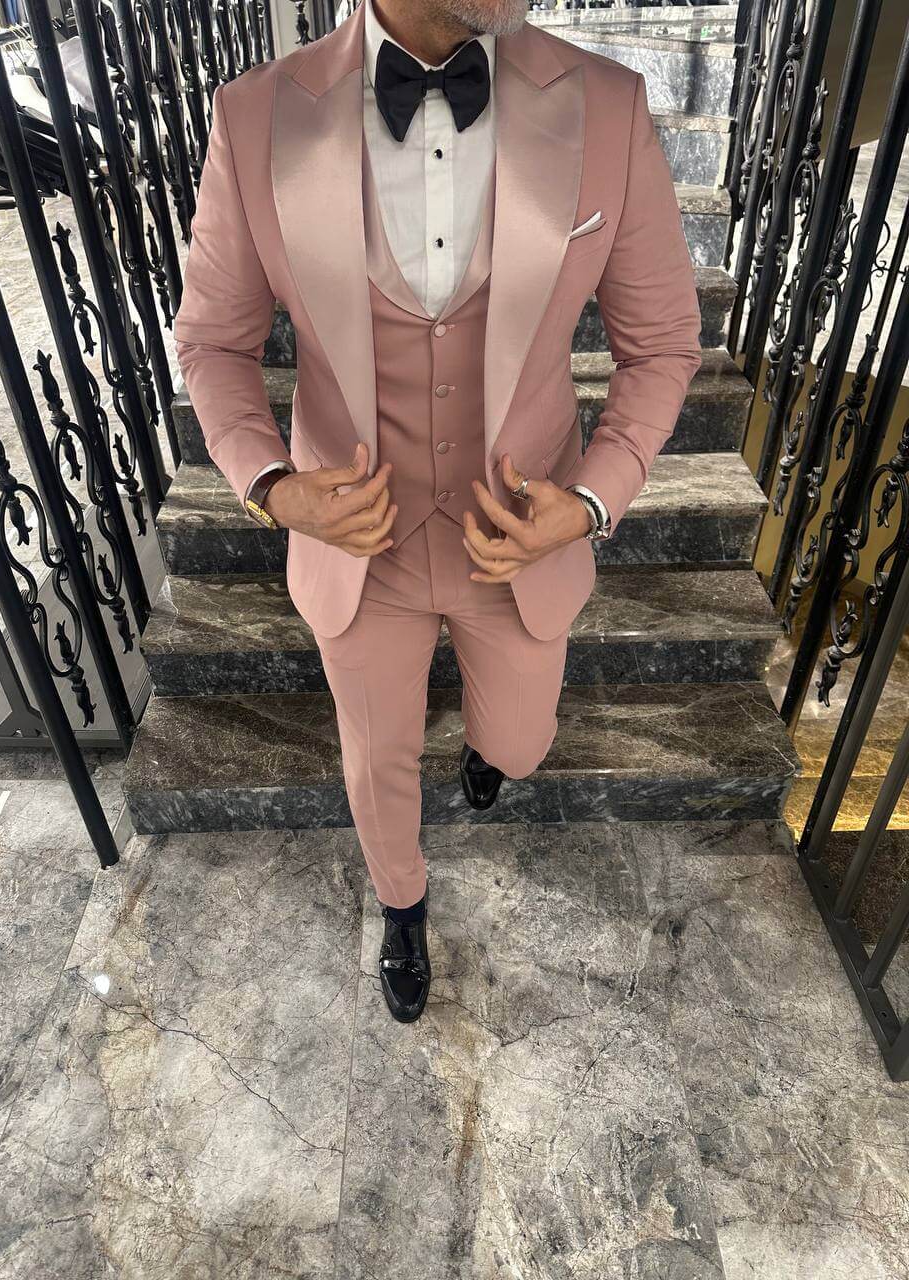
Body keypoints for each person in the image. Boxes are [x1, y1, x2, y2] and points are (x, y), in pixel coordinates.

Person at [174, 0, 702, 1023]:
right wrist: (273, 485)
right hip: (357, 540)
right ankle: (402, 905)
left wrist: (593, 499)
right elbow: (211, 342)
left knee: (524, 740)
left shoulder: (607, 105)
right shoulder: (253, 117)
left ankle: (488, 754)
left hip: (518, 535)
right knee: (375, 759)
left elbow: (665, 343)